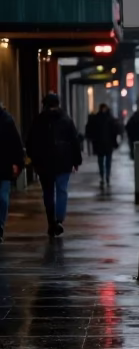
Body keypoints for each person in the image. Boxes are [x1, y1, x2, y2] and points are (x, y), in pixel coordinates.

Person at [25, 92, 82, 238]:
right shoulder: (66, 120)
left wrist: (33, 159)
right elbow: (74, 141)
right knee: (62, 190)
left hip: (44, 164)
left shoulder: (38, 120)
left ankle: (51, 220)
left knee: (48, 192)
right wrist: (76, 161)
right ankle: (59, 219)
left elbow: (30, 141)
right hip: (64, 162)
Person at [0, 101, 25, 244]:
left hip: (4, 166)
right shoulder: (7, 120)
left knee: (3, 197)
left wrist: (17, 163)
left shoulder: (7, 120)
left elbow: (16, 143)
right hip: (5, 166)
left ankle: (0, 225)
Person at [85, 103, 119, 186]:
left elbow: (90, 129)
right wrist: (114, 143)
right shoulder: (109, 118)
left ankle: (103, 176)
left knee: (102, 161)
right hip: (107, 144)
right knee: (106, 161)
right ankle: (105, 175)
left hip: (100, 144)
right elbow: (114, 131)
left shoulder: (96, 118)